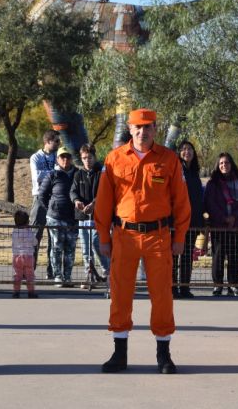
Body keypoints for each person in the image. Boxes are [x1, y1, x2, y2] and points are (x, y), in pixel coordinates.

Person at [94, 108, 190, 374]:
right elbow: (103, 203)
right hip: (124, 236)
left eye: (148, 127)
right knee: (121, 293)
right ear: (130, 128)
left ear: (155, 129)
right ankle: (119, 352)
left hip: (158, 236)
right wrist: (103, 237)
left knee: (162, 295)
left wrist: (179, 236)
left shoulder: (169, 160)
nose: (142, 132)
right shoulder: (114, 159)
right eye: (138, 127)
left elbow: (181, 202)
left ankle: (163, 354)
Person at [204, 152, 238, 296]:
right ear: (218, 166)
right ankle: (218, 285)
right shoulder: (212, 184)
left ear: (232, 164)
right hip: (219, 225)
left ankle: (233, 284)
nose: (224, 165)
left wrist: (234, 217)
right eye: (221, 163)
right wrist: (223, 218)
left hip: (236, 226)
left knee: (234, 256)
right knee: (218, 255)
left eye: (227, 163)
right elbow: (209, 203)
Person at [39, 146, 78, 287]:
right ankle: (58, 277)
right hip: (55, 218)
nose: (65, 159)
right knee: (56, 247)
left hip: (73, 219)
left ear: (71, 158)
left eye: (68, 156)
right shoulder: (52, 175)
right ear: (58, 159)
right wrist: (51, 208)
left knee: (70, 249)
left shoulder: (77, 174)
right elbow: (42, 196)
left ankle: (67, 277)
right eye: (62, 157)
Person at [71, 144, 109, 284]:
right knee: (86, 248)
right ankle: (89, 274)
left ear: (95, 156)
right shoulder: (78, 174)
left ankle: (108, 270)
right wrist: (76, 201)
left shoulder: (102, 172)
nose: (87, 160)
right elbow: (73, 191)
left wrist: (94, 204)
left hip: (97, 216)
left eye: (90, 157)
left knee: (96, 243)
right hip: (82, 216)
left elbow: (104, 192)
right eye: (84, 158)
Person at [172, 140, 204, 298]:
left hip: (192, 223)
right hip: (176, 222)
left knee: (186, 257)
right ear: (179, 153)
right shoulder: (176, 170)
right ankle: (171, 288)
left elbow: (197, 200)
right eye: (183, 149)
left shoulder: (195, 173)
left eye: (190, 149)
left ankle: (184, 287)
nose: (187, 152)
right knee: (173, 256)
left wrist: (200, 221)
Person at [29, 130, 61, 278]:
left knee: (54, 236)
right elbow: (37, 177)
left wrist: (51, 172)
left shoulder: (58, 157)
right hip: (39, 198)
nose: (58, 144)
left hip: (55, 198)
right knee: (35, 234)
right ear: (48, 141)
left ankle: (52, 270)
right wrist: (53, 172)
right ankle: (29, 270)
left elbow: (62, 172)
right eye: (56, 141)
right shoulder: (35, 157)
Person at [11, 210, 38, 298]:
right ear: (27, 222)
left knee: (17, 274)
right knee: (30, 274)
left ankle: (16, 291)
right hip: (28, 256)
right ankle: (31, 292)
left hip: (17, 255)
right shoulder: (29, 232)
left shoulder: (14, 232)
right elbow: (35, 242)